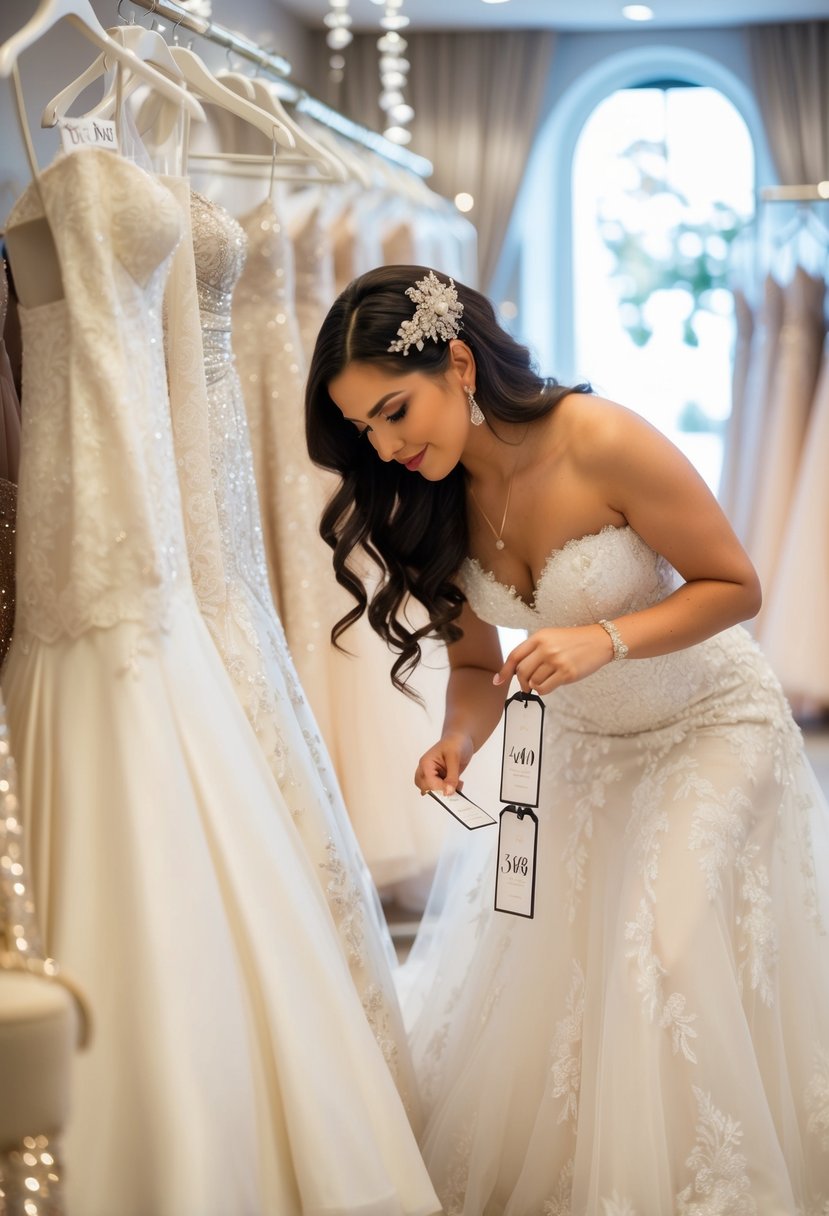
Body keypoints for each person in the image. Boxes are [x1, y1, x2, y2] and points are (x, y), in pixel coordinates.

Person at [305, 265, 829, 1214]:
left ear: (458, 362)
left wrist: (607, 636)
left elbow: (734, 585)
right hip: (586, 754)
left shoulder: (601, 440)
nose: (383, 448)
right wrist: (458, 742)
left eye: (392, 411)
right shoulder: (430, 502)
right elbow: (472, 669)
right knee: (568, 989)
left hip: (709, 726)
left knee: (660, 943)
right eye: (363, 431)